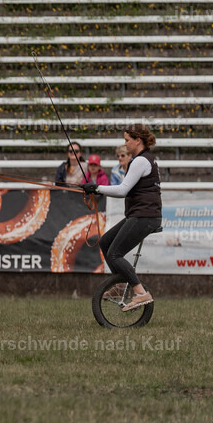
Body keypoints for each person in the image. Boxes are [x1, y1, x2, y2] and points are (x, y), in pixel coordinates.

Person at [83, 123, 162, 312]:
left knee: (114, 253)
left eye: (127, 140)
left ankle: (141, 293)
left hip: (145, 216)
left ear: (138, 140)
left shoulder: (141, 161)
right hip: (140, 214)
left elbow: (123, 190)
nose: (125, 144)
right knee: (106, 242)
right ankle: (120, 285)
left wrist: (97, 188)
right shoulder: (142, 159)